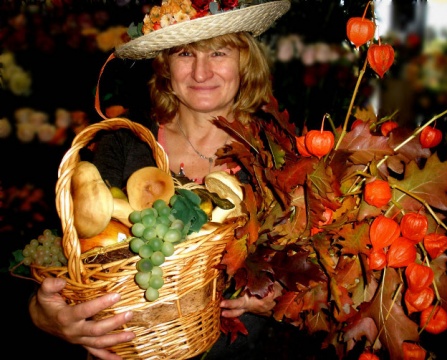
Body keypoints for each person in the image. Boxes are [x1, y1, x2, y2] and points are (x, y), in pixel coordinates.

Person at [28, 1, 290, 359]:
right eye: (185, 53)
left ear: (246, 61)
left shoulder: (279, 154)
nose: (201, 73)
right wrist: (43, 314)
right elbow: (73, 250)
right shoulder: (125, 141)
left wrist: (279, 296)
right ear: (165, 66)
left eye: (218, 52)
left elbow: (310, 273)